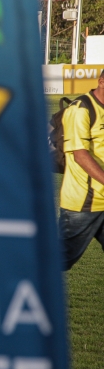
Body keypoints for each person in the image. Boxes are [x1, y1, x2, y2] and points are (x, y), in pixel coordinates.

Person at [60, 71, 104, 269]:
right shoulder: (81, 109)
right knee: (57, 261)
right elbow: (80, 154)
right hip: (84, 203)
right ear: (101, 82)